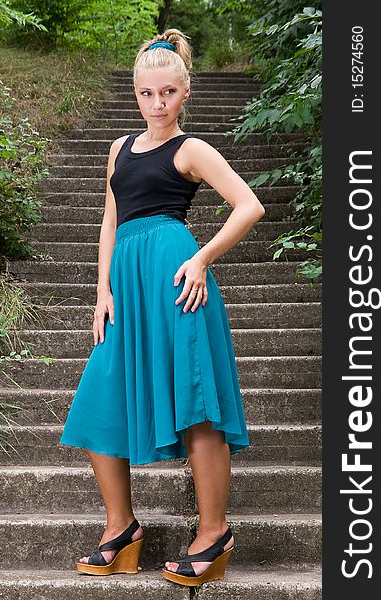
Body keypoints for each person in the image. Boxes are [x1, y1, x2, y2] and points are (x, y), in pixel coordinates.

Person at [59, 28, 266, 587]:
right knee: (99, 395)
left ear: (185, 92)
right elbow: (110, 218)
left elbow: (249, 206)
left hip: (177, 280)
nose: (157, 104)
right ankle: (121, 528)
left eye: (168, 93)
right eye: (147, 94)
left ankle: (214, 533)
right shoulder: (118, 149)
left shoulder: (191, 149)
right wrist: (101, 290)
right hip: (125, 287)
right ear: (136, 93)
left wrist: (200, 260)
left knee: (195, 400)